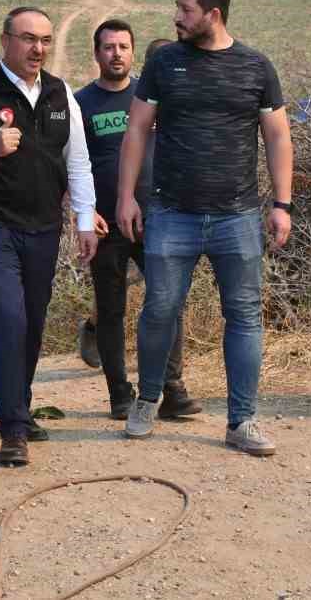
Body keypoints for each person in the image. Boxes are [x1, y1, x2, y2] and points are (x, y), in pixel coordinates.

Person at [117, 0, 293, 457]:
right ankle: (147, 400)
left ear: (212, 13)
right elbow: (137, 131)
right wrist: (126, 196)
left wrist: (282, 203)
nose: (176, 17)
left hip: (236, 217)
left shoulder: (256, 67)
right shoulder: (164, 63)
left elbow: (278, 136)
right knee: (159, 311)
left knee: (243, 316)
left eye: (185, 9)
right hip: (171, 213)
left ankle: (242, 421)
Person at [0, 7, 97, 468]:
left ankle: (20, 410)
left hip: (44, 227)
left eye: (45, 40)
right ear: (5, 40)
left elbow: (78, 161)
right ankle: (11, 429)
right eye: (28, 39)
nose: (38, 49)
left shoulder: (59, 92)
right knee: (7, 319)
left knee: (30, 323)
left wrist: (84, 221)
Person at [76, 22, 199, 421]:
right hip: (106, 223)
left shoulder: (153, 96)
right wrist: (83, 212)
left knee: (168, 303)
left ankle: (172, 388)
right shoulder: (80, 104)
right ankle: (119, 393)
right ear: (96, 54)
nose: (116, 54)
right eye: (108, 47)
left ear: (133, 53)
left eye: (123, 47)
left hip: (160, 218)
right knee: (112, 310)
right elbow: (70, 165)